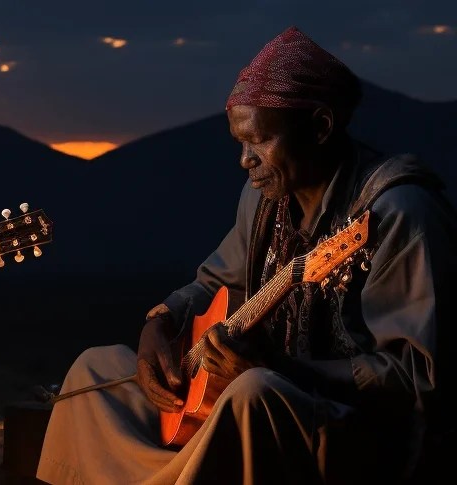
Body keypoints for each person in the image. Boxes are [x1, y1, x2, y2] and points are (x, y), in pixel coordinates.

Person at [36, 26, 452, 484]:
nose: (244, 160)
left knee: (254, 391)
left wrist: (282, 369)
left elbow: (419, 380)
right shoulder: (264, 198)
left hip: (357, 432)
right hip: (258, 396)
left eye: (260, 141)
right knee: (95, 368)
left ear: (319, 127)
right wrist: (162, 320)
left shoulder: (399, 213)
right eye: (239, 143)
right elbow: (216, 284)